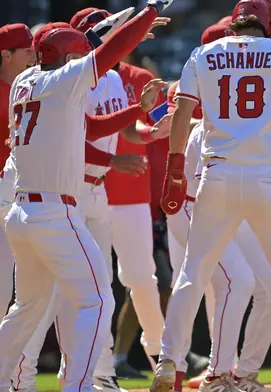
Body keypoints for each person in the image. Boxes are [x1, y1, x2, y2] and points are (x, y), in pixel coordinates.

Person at [150, 1, 271, 392]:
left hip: (217, 173)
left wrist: (173, 168)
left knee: (192, 273)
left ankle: (168, 362)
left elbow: (183, 111)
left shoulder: (204, 53)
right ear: (269, 24)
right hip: (267, 174)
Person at [0, 2, 173, 391]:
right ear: (65, 57)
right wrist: (145, 14)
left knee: (24, 309)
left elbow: (90, 125)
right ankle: (79, 385)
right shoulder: (63, 81)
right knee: (97, 300)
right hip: (54, 213)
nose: (83, 60)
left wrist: (135, 110)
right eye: (76, 54)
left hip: (23, 213)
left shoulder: (25, 83)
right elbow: (106, 53)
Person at [0, 23, 35, 316]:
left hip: (28, 195)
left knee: (28, 290)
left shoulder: (36, 85)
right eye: (26, 50)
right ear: (6, 54)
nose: (33, 55)